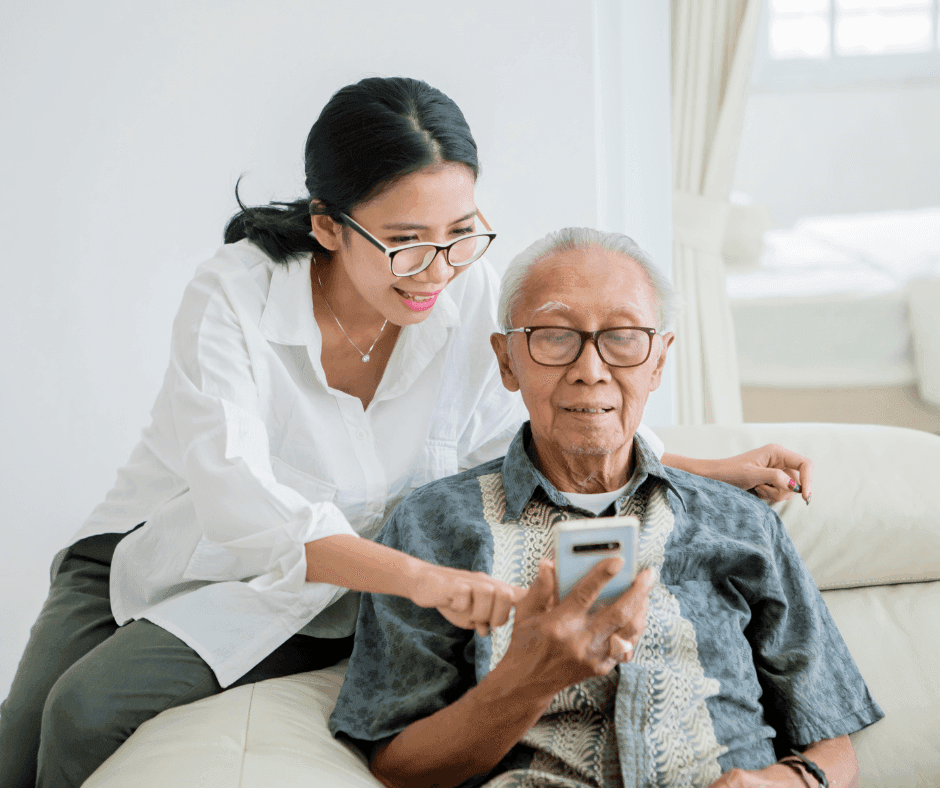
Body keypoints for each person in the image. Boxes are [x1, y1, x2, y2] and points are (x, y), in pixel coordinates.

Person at [0, 78, 811, 788]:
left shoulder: (465, 287)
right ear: (327, 225)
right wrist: (424, 582)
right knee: (21, 738)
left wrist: (706, 468)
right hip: (163, 540)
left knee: (85, 710)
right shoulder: (234, 297)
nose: (439, 268)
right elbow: (240, 505)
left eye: (460, 231)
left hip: (327, 577)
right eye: (405, 243)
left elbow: (516, 431)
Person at [329, 227, 883, 788]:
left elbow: (832, 739)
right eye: (553, 335)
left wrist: (784, 784)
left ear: (659, 360)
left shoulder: (741, 522)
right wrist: (526, 679)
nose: (590, 369)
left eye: (622, 337)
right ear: (507, 360)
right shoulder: (431, 526)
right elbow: (398, 766)